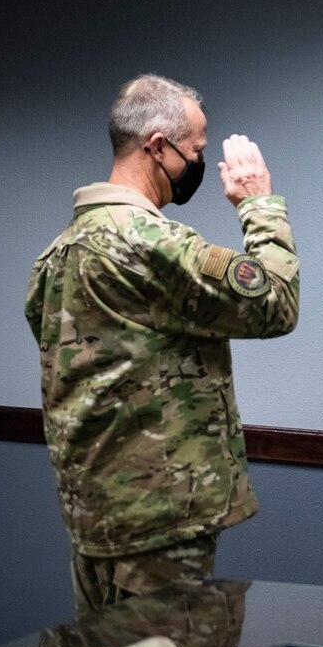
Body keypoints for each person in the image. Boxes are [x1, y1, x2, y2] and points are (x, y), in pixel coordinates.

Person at [25, 74, 300, 613]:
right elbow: (276, 304)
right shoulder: (149, 242)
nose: (200, 162)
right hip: (161, 521)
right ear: (157, 146)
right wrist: (258, 206)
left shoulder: (56, 254)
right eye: (196, 149)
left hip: (96, 515)